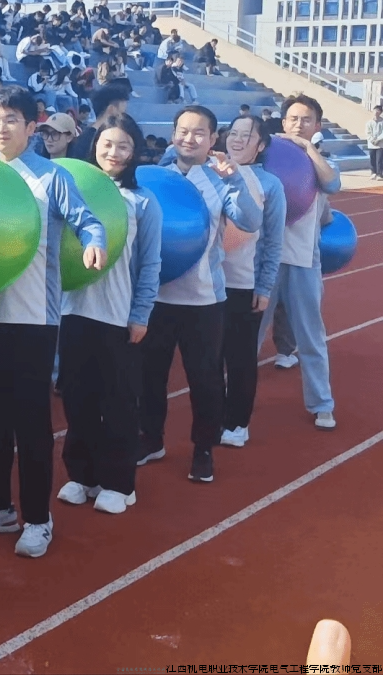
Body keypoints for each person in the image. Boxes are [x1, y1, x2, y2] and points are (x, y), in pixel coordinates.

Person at [0, 86, 106, 558]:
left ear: (31, 126)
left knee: (31, 421)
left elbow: (87, 220)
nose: (0, 128)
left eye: (11, 120)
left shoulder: (50, 176)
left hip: (35, 318)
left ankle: (38, 517)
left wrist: (94, 241)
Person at [140, 105, 262, 483]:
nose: (188, 138)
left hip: (204, 301)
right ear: (173, 134)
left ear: (212, 139)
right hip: (157, 298)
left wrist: (235, 180)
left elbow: (250, 220)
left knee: (205, 380)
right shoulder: (155, 176)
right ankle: (151, 439)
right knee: (149, 376)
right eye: (182, 130)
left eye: (198, 132)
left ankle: (203, 449)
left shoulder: (220, 178)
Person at [56, 113, 161, 513]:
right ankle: (82, 475)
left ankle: (119, 482)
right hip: (74, 311)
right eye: (107, 144)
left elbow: (150, 262)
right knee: (77, 399)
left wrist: (141, 313)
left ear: (134, 152)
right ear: (94, 146)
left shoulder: (142, 201)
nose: (113, 153)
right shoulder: (74, 192)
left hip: (118, 315)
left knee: (118, 401)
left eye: (123, 146)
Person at [258, 94, 340, 430]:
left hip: (304, 260)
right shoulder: (266, 151)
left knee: (311, 337)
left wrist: (308, 149)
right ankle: (232, 399)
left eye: (306, 119)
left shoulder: (318, 160)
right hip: (263, 260)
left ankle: (322, 404)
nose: (298, 125)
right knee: (249, 334)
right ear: (283, 121)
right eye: (293, 118)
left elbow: (333, 184)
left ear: (317, 125)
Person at [218, 115, 285, 448]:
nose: (237, 139)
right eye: (233, 132)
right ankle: (214, 414)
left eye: (246, 135)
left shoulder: (270, 185)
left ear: (261, 145)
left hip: (244, 284)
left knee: (240, 357)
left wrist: (264, 286)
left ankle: (237, 421)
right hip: (206, 283)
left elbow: (273, 241)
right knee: (208, 358)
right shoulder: (209, 172)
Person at [366, 105, 383, 180]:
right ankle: (373, 173)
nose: (376, 112)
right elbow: (368, 133)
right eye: (375, 110)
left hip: (380, 144)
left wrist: (378, 139)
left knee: (379, 160)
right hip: (371, 144)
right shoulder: (369, 122)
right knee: (372, 159)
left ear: (381, 112)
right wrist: (372, 140)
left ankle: (379, 174)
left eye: (378, 110)